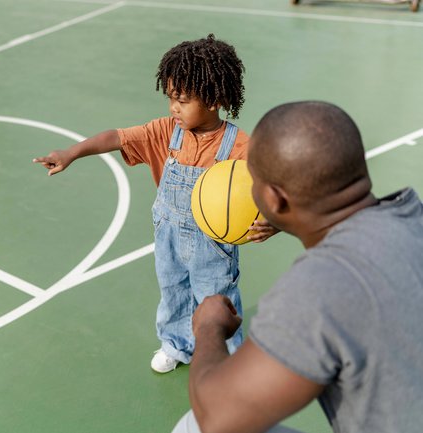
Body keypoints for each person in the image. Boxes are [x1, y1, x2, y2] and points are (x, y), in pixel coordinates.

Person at [172, 101, 423, 433]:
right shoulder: (411, 215)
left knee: (196, 426)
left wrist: (208, 328)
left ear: (274, 200)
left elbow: (217, 417)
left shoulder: (320, 286)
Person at [34, 35, 276, 373]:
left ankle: (227, 358)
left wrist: (274, 223)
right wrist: (72, 153)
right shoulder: (166, 132)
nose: (174, 107)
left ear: (214, 98)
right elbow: (117, 137)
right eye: (171, 98)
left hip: (214, 245)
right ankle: (177, 345)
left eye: (183, 99)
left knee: (216, 299)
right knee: (173, 290)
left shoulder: (240, 147)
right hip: (168, 236)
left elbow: (272, 190)